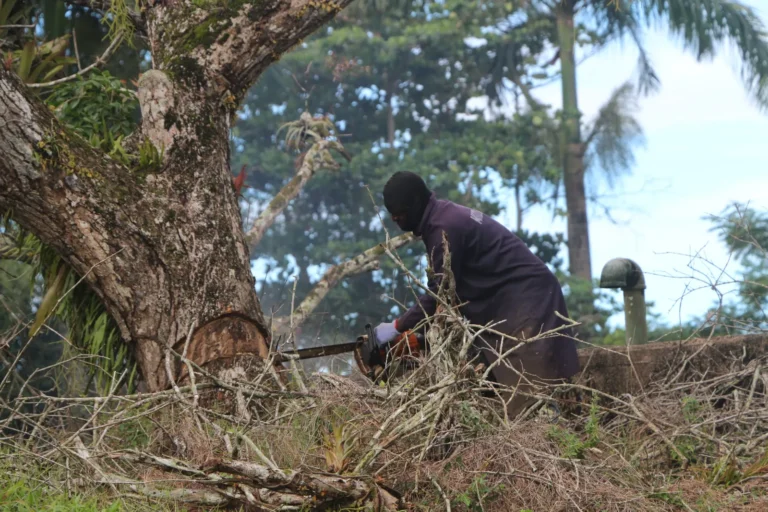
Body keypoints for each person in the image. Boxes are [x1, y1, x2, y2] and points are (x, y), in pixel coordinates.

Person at [374, 171, 580, 417]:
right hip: (511, 301)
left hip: (529, 299)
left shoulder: (443, 229)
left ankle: (551, 439)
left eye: (399, 212)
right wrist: (420, 339)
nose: (396, 218)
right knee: (491, 383)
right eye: (391, 213)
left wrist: (397, 326)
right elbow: (452, 301)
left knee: (527, 391)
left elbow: (439, 294)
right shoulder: (442, 216)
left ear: (416, 203)